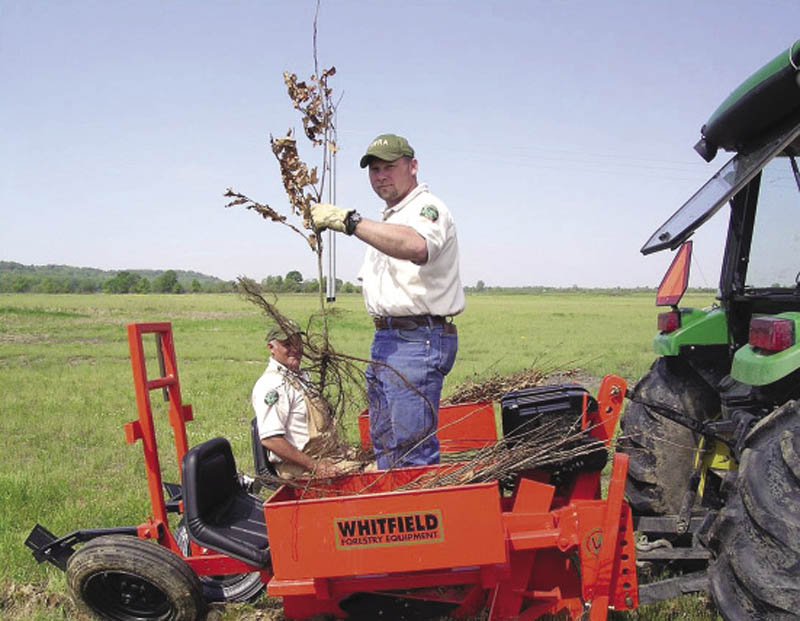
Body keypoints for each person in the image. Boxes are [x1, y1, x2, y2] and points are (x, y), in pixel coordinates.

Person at [311, 133, 465, 469]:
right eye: (374, 169)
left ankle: (423, 518)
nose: (380, 176)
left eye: (389, 167)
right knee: (385, 445)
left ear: (413, 166)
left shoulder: (427, 209)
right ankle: (393, 513)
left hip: (416, 340)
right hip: (387, 340)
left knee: (410, 452)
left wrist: (350, 222)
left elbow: (417, 246)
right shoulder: (391, 217)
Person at [252, 319, 342, 479]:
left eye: (298, 343)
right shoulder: (273, 385)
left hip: (325, 456)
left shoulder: (301, 377)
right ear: (271, 348)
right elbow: (271, 439)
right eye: (287, 344)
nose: (295, 349)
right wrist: (315, 466)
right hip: (300, 467)